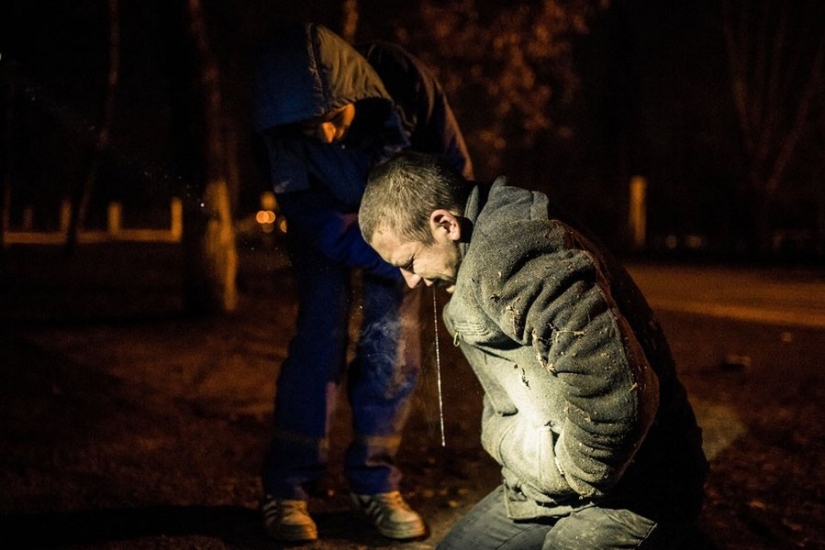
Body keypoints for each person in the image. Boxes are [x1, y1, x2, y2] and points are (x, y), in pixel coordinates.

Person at [359, 152, 709, 550]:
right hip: (553, 486)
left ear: (445, 224)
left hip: (635, 491)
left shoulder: (510, 254)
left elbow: (616, 397)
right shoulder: (477, 251)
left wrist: (564, 474)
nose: (410, 280)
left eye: (410, 261)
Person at [251, 23, 474, 543]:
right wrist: (383, 254)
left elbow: (454, 167)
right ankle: (287, 489)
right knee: (319, 338)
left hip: (403, 229)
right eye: (311, 131)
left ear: (354, 93)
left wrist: (449, 246)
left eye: (333, 119)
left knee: (393, 348)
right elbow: (307, 214)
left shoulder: (403, 81)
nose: (326, 135)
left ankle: (374, 484)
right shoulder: (276, 123)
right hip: (327, 229)